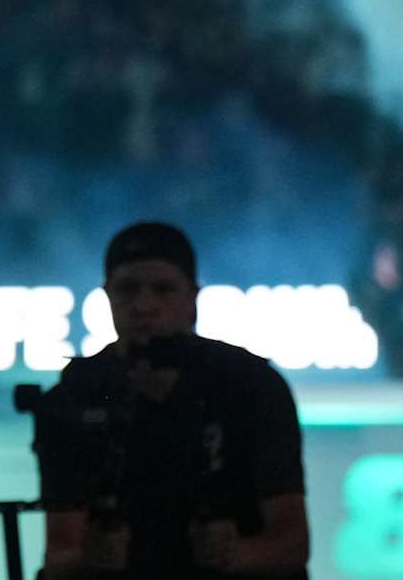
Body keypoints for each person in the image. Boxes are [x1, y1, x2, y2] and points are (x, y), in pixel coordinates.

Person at [35, 222, 310, 579]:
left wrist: (237, 555)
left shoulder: (249, 386)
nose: (144, 305)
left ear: (192, 297)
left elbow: (292, 544)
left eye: (162, 289)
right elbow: (59, 552)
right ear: (107, 297)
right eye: (128, 290)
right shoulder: (77, 395)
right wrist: (89, 557)